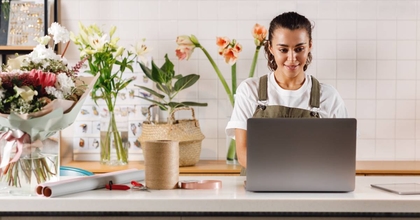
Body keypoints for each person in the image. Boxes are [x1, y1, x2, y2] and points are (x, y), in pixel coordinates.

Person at [225, 12, 348, 174]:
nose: (292, 58)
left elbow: (342, 155)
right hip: (260, 189)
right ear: (270, 47)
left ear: (310, 45)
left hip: (313, 188)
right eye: (283, 49)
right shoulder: (249, 90)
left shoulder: (329, 96)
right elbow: (243, 154)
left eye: (299, 49)